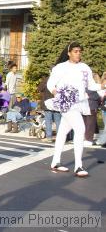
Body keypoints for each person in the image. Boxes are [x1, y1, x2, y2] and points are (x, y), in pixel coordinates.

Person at [47, 42, 105, 177]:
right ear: (69, 53)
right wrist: (57, 93)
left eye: (80, 51)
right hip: (66, 104)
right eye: (75, 51)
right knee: (80, 128)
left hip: (80, 104)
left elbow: (90, 85)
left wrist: (102, 86)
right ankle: (78, 166)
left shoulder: (85, 67)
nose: (78, 54)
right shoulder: (60, 67)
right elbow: (51, 83)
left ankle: (55, 162)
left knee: (63, 131)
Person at [37, 75, 61, 142]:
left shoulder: (46, 80)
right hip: (56, 103)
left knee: (48, 121)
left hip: (48, 103)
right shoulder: (59, 79)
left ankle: (49, 137)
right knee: (58, 121)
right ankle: (60, 137)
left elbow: (39, 89)